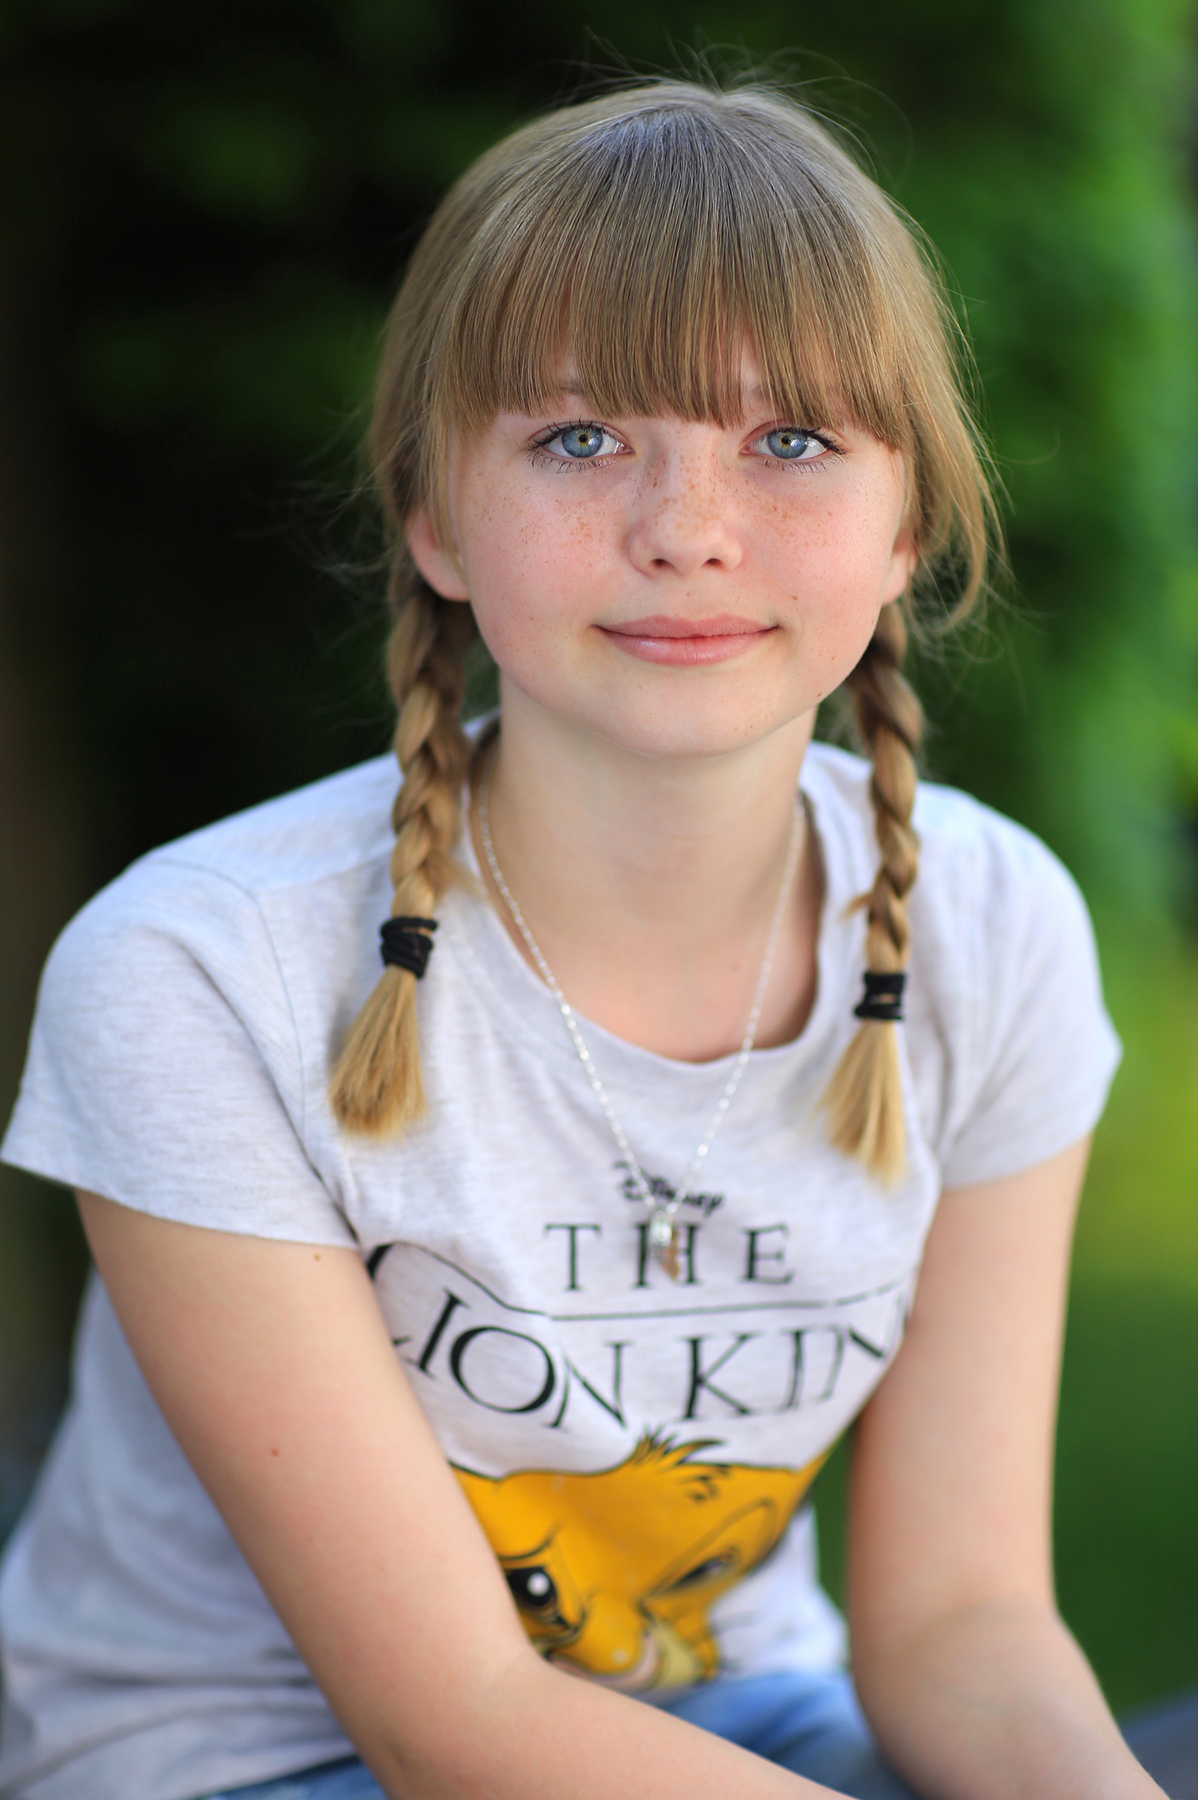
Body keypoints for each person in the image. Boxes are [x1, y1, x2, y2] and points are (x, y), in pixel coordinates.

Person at [0, 77, 1155, 1800]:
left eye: (788, 441)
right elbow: (451, 1723)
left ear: (907, 522)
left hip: (738, 1730)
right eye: (577, 437)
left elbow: (962, 1628)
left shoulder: (991, 934)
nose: (685, 528)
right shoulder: (197, 969)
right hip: (241, 1763)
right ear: (435, 518)